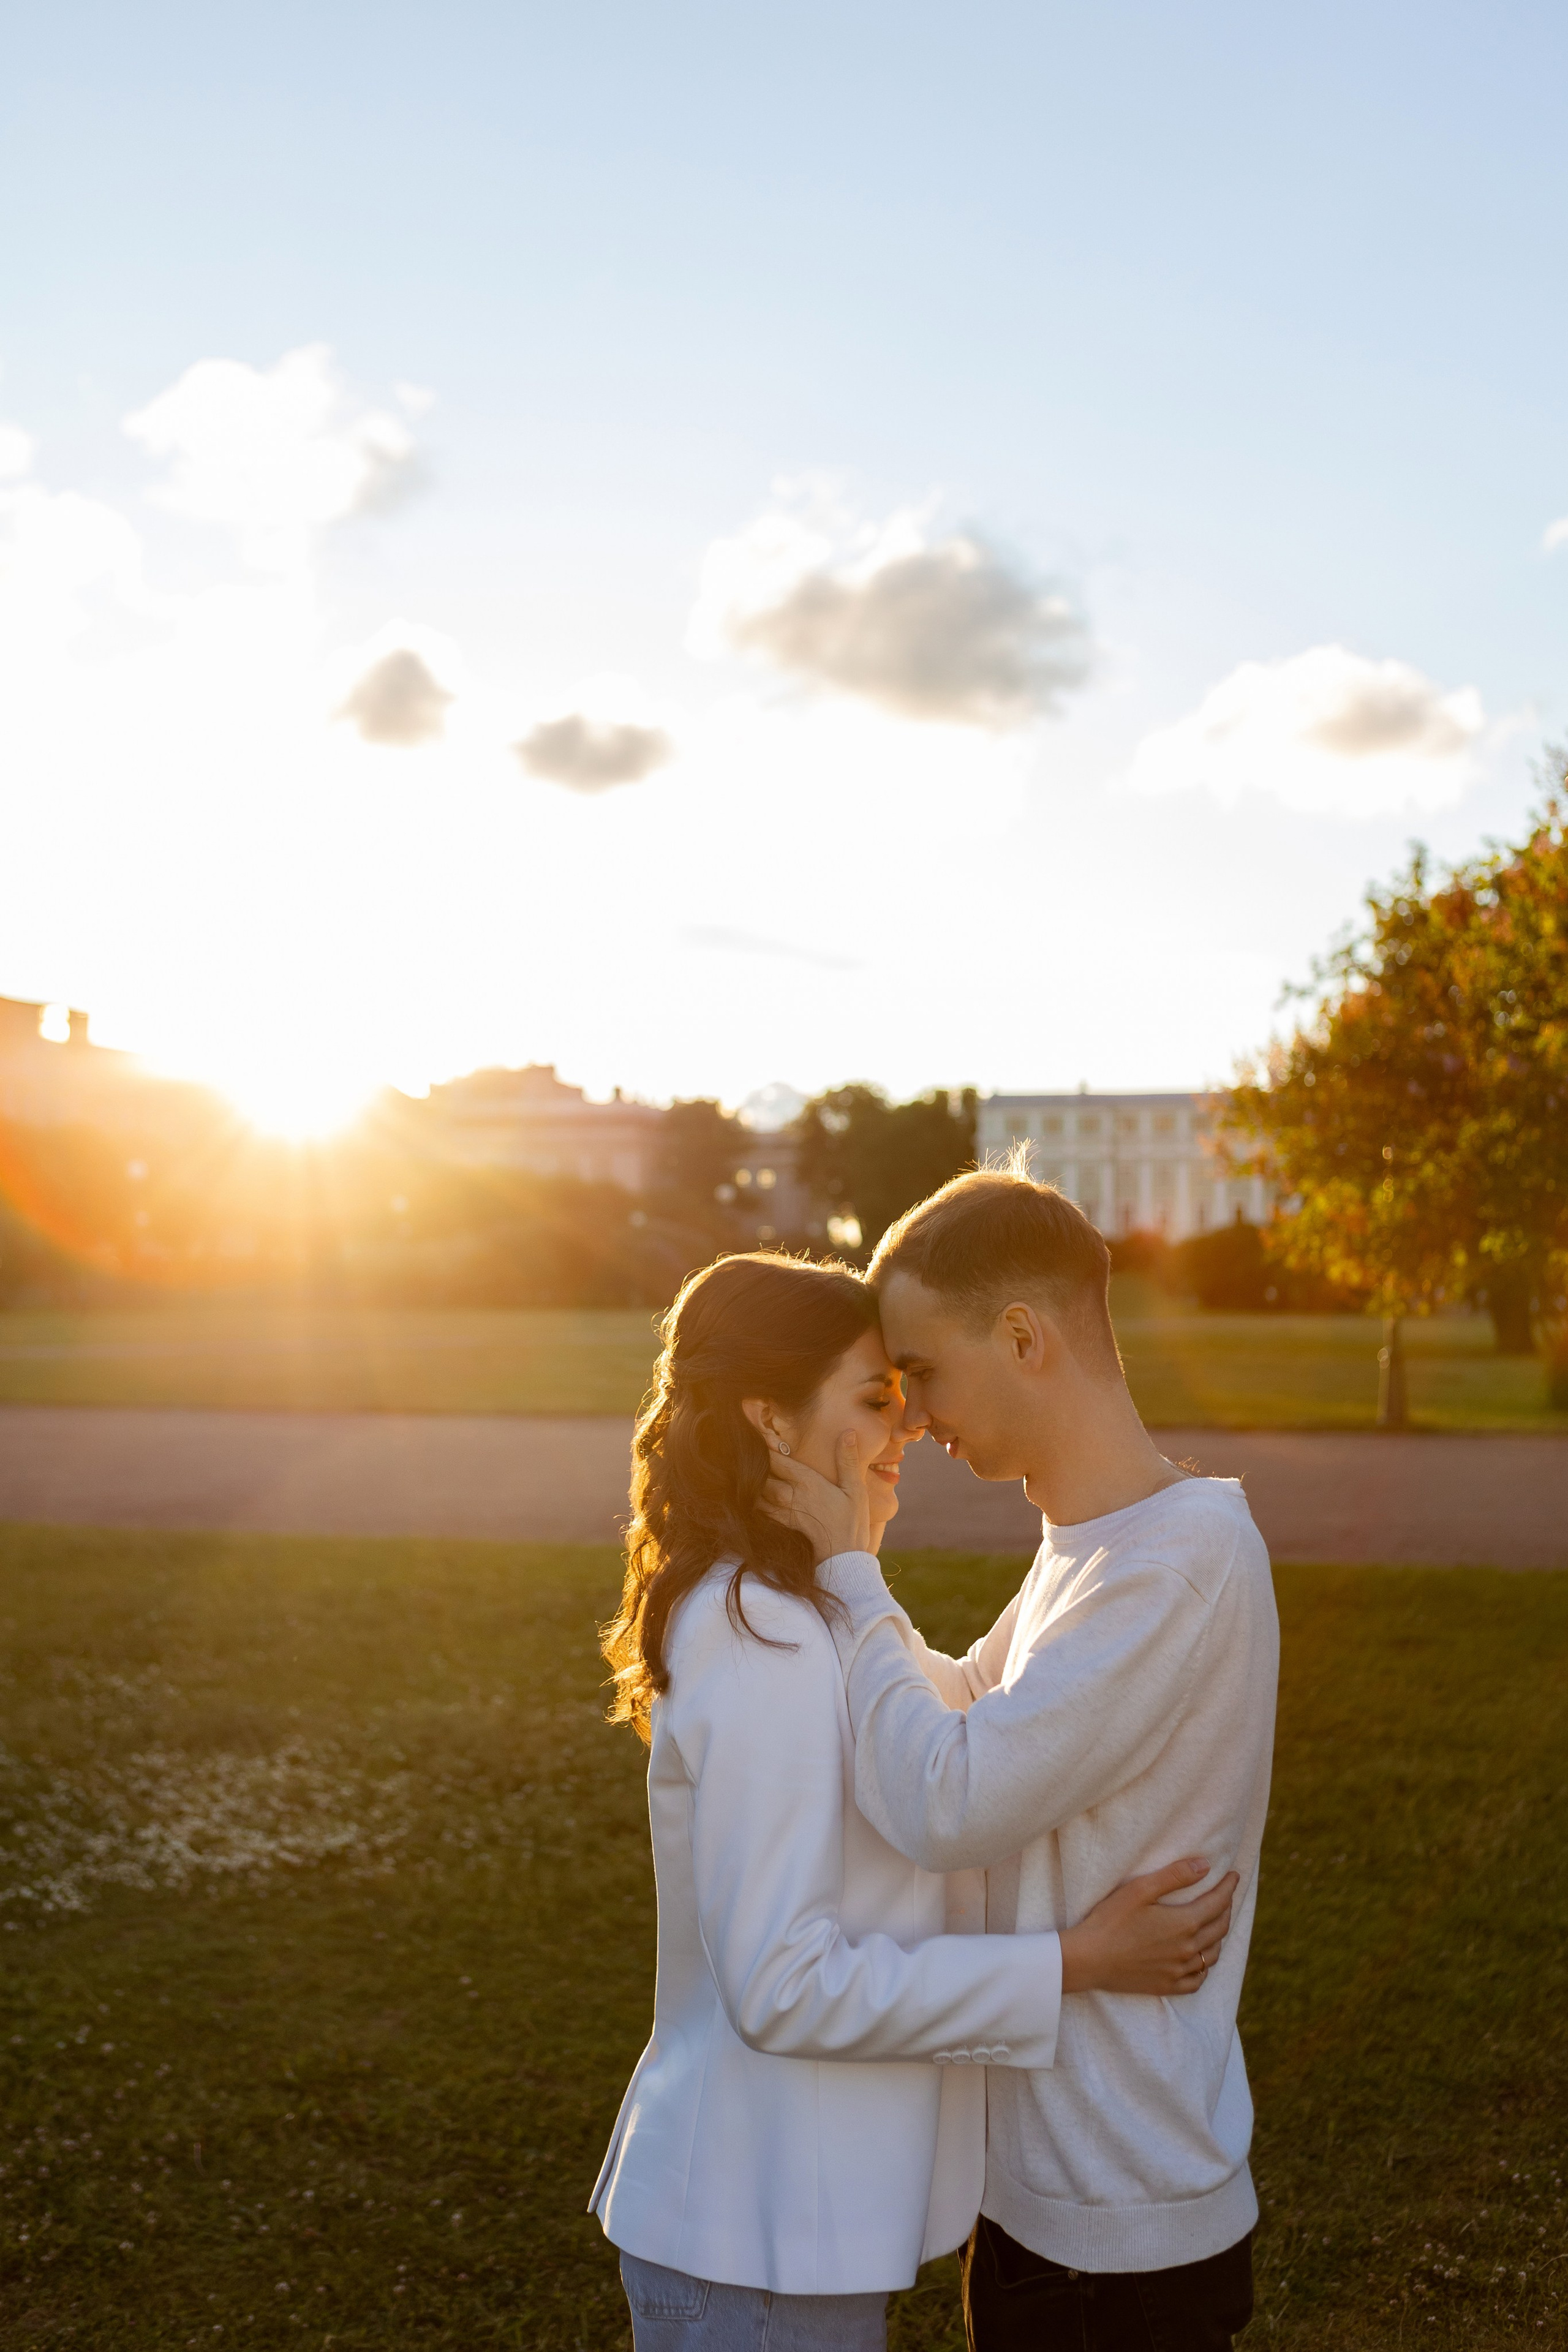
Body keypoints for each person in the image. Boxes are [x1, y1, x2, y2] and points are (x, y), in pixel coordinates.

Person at [591, 1251, 1240, 2352]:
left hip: (791, 2239)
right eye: (875, 1402)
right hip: (749, 2245)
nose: (908, 1432)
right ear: (770, 1421)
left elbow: (966, 1714)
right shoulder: (761, 1635)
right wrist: (1078, 1963)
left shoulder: (812, 1612)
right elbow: (786, 1986)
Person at [763, 1170, 1279, 2352]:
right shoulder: (1089, 1549)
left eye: (924, 1372)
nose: (912, 1416)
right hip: (1054, 2203)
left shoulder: (1176, 1561)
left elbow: (944, 1796)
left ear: (1022, 1336)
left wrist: (850, 1571)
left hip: (1120, 2221)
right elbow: (952, 1707)